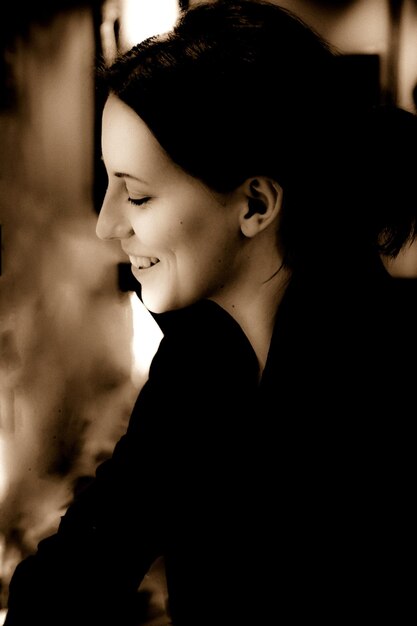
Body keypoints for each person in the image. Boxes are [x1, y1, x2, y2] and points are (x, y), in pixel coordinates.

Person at [4, 1, 415, 624]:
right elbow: (85, 562)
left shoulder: (385, 375)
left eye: (137, 194)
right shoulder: (200, 358)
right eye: (108, 183)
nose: (106, 224)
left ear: (254, 204)